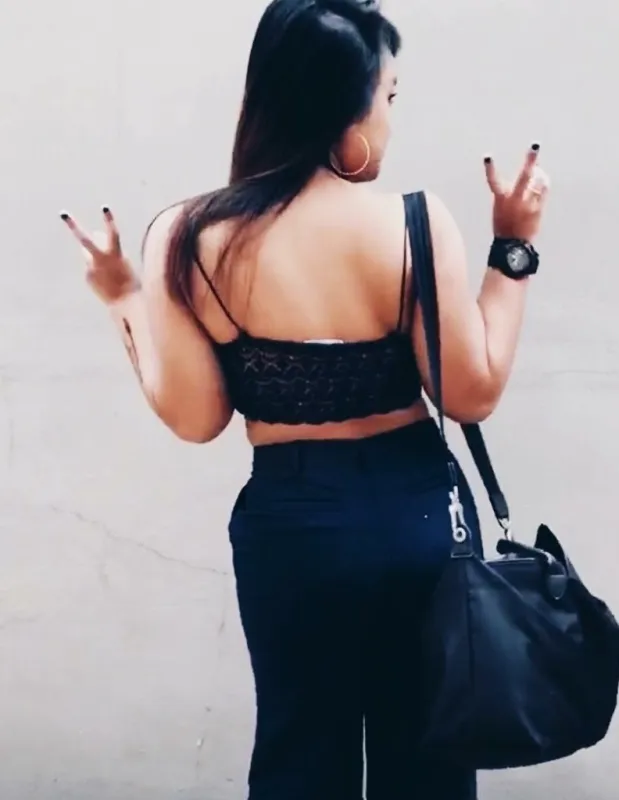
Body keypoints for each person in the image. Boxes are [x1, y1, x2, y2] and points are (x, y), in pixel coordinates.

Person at [60, 1, 550, 797]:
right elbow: (470, 394)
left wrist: (121, 294)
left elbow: (196, 418)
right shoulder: (414, 224)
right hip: (416, 515)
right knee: (427, 757)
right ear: (346, 111)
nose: (389, 118)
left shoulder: (186, 236)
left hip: (292, 526)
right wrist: (513, 247)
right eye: (387, 97)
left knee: (300, 753)